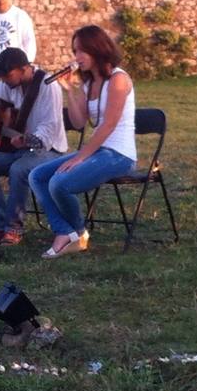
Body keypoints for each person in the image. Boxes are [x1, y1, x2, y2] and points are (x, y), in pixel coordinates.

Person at [30, 25, 138, 259]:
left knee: (59, 183)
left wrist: (80, 157)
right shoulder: (89, 84)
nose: (76, 57)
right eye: (75, 51)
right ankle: (69, 231)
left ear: (97, 49)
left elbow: (108, 125)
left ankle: (74, 234)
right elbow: (79, 122)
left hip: (119, 154)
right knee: (37, 176)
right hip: (99, 151)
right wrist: (69, 88)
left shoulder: (118, 79)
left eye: (81, 51)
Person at [0, 47, 66, 246]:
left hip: (48, 150)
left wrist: (28, 139)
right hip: (20, 149)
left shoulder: (48, 86)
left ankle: (13, 227)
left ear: (24, 68)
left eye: (8, 75)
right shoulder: (8, 86)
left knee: (19, 169)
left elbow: (49, 128)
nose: (4, 80)